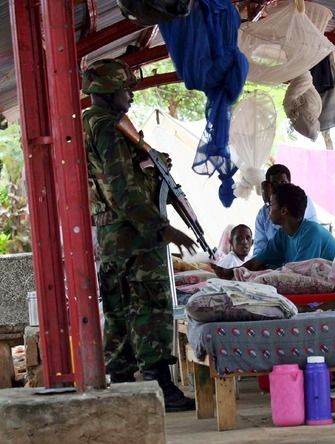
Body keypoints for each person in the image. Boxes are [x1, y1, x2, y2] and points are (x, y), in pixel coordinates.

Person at [82, 58, 196, 412]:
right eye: (126, 90)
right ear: (109, 91)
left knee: (118, 310)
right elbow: (122, 189)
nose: (130, 97)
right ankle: (161, 387)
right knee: (150, 307)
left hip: (111, 236)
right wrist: (162, 228)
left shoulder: (89, 124)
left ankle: (120, 388)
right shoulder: (108, 128)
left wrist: (151, 161)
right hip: (135, 234)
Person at [213, 183, 335, 276]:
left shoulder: (311, 233)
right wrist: (228, 273)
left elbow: (296, 276)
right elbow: (257, 262)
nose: (268, 210)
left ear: (283, 211)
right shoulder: (283, 234)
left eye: (271, 205)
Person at [253, 164, 319, 256]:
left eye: (283, 183)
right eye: (274, 184)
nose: (280, 187)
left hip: (303, 257)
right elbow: (259, 250)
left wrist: (269, 204)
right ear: (269, 187)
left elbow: (286, 230)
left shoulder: (301, 200)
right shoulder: (262, 214)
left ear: (290, 183)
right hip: (277, 265)